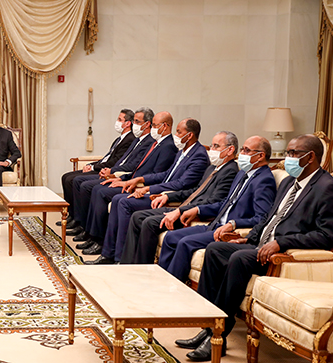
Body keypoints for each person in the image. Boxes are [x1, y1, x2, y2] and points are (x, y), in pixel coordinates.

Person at [176, 134, 333, 362]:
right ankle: (208, 326)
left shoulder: (326, 187)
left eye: (293, 153)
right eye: (287, 152)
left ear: (310, 157)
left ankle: (218, 336)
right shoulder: (288, 182)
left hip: (279, 253)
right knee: (215, 249)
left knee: (238, 259)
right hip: (258, 244)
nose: (287, 158)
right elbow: (269, 218)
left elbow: (326, 236)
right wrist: (248, 237)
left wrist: (282, 243)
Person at [88, 118, 210, 264]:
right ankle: (108, 253)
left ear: (189, 135)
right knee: (117, 199)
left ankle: (120, 259)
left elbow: (181, 184)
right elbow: (166, 175)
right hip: (159, 192)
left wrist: (148, 189)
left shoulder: (199, 155)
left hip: (171, 198)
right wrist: (140, 180)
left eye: (178, 132)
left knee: (124, 203)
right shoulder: (182, 152)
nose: (176, 135)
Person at [156, 136, 276, 281]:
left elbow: (262, 218)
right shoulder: (242, 174)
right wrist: (198, 210)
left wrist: (233, 224)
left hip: (229, 231)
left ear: (261, 156)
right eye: (242, 149)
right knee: (170, 237)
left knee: (185, 243)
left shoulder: (264, 180)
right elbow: (225, 203)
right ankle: (161, 281)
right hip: (215, 224)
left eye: (246, 150)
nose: (241, 154)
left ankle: (173, 286)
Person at [120, 131, 239, 265]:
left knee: (150, 222)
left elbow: (214, 201)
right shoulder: (212, 168)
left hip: (192, 214)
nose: (211, 150)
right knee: (137, 216)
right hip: (183, 206)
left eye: (216, 146)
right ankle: (127, 264)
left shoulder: (230, 171)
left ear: (230, 150)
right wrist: (167, 196)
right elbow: (195, 191)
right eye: (211, 146)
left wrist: (181, 211)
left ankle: (143, 267)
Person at [77, 111, 178, 257]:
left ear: (165, 126)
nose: (152, 128)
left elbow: (157, 175)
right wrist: (121, 178)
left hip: (141, 187)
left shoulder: (168, 146)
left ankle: (101, 243)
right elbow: (137, 167)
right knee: (100, 188)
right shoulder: (156, 143)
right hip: (132, 181)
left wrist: (133, 182)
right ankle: (96, 239)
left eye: (155, 125)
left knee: (103, 192)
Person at [70, 107, 155, 238]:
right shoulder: (137, 140)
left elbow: (134, 166)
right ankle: (81, 224)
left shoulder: (149, 142)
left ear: (147, 124)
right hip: (116, 173)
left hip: (126, 177)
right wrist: (108, 170)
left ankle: (92, 234)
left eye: (137, 121)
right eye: (134, 121)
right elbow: (120, 160)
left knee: (92, 188)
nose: (134, 124)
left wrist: (113, 172)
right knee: (74, 180)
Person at [59, 109, 135, 230]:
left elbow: (115, 161)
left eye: (120, 119)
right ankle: (72, 215)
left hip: (108, 170)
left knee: (76, 180)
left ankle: (79, 220)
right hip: (101, 166)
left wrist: (94, 167)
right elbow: (106, 157)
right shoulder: (119, 139)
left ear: (128, 123)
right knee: (66, 177)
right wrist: (91, 164)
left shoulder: (130, 139)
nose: (117, 122)